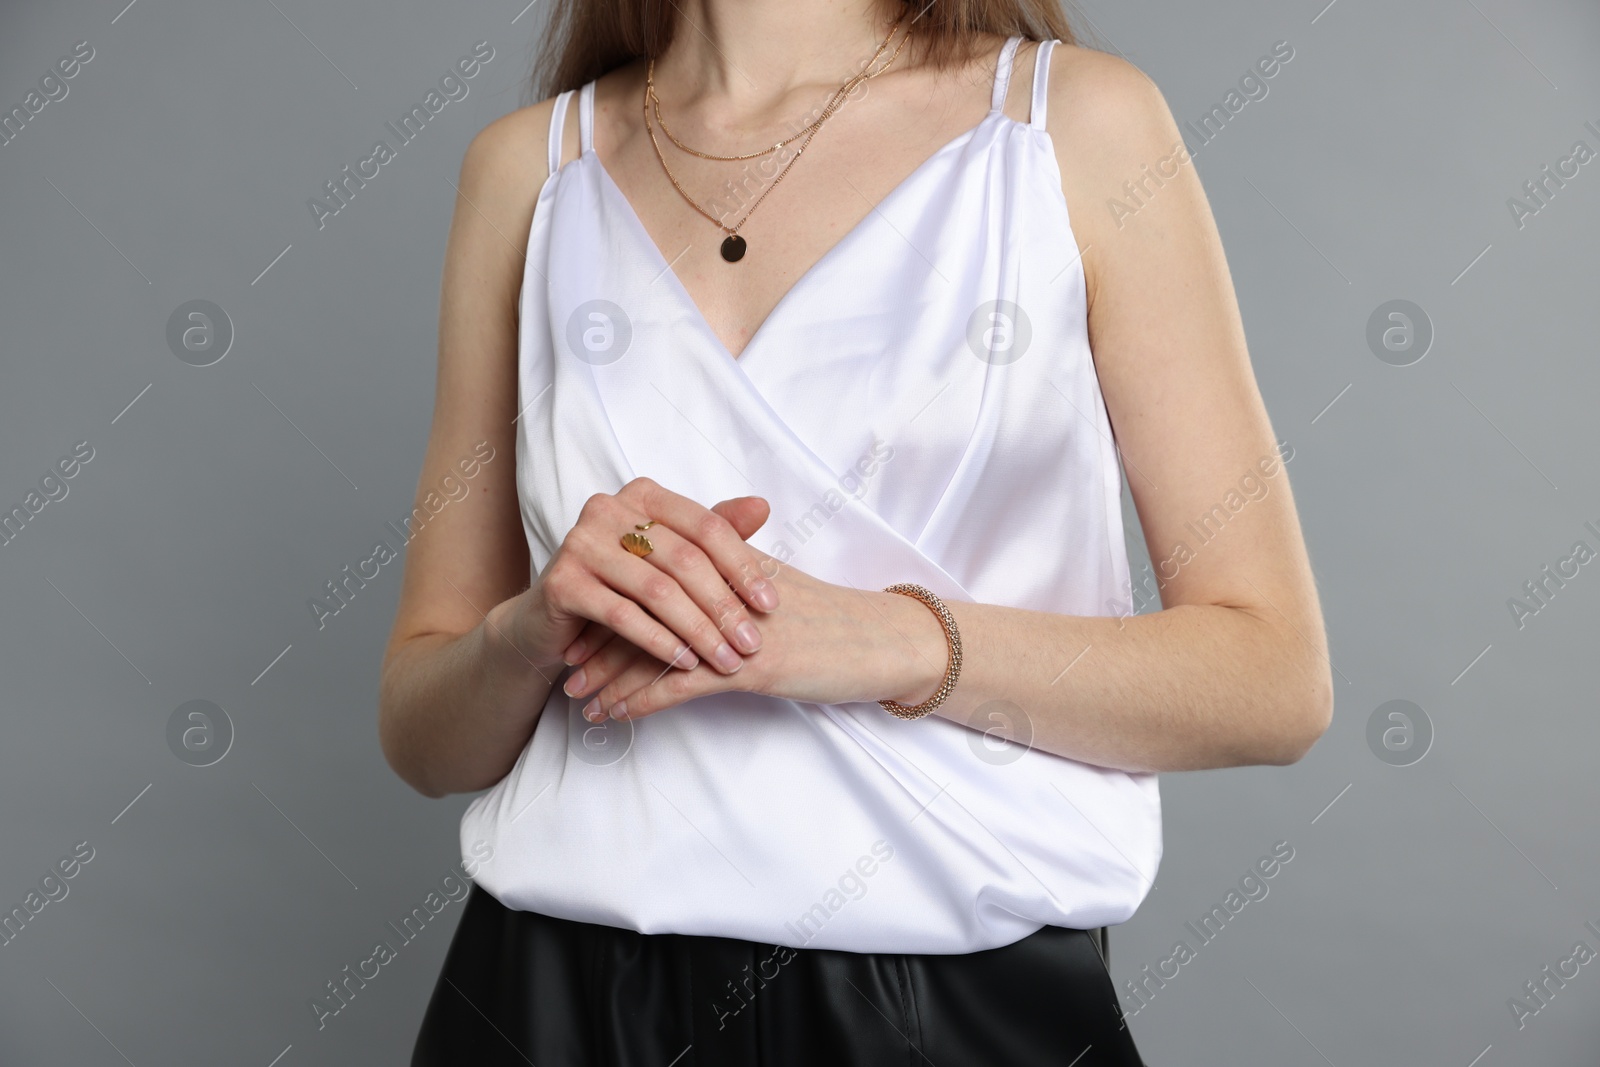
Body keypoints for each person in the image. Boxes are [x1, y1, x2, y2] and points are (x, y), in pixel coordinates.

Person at [381, 1, 1332, 1062]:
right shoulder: (529, 169)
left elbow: (1273, 680)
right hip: (545, 997)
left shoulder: (1070, 125)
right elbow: (421, 735)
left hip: (947, 1014)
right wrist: (532, 630)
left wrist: (890, 640)